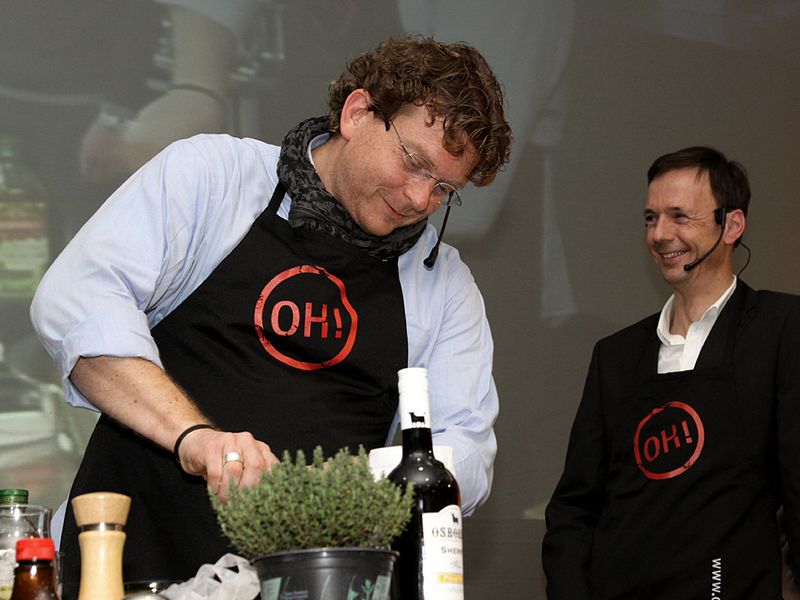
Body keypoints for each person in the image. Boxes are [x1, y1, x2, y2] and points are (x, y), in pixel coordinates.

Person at [29, 35, 511, 595]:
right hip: (128, 571)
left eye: (443, 188)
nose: (419, 199)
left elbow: (466, 451)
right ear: (357, 113)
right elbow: (77, 299)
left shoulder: (444, 284)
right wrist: (195, 437)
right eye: (413, 163)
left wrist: (352, 478)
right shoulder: (214, 176)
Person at [541, 146, 800, 598]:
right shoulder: (616, 357)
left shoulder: (781, 329)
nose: (660, 234)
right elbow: (575, 509)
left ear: (732, 225)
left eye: (680, 216)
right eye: (651, 218)